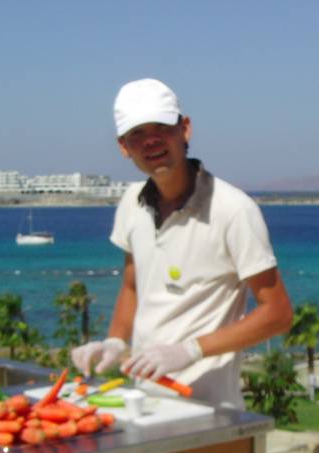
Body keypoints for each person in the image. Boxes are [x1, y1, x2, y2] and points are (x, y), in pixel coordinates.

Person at [72, 79, 293, 408]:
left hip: (209, 410)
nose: (151, 140)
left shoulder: (233, 210)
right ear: (123, 146)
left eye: (162, 127)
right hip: (144, 402)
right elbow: (133, 285)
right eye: (137, 133)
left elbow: (278, 313)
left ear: (185, 129)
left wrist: (191, 350)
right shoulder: (131, 202)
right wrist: (115, 341)